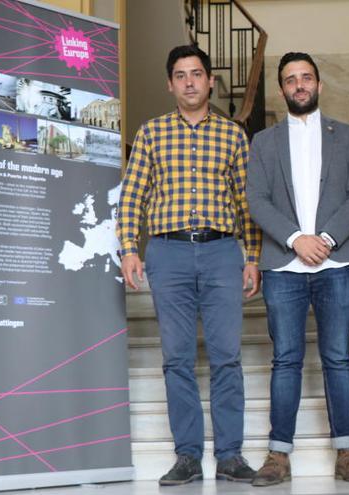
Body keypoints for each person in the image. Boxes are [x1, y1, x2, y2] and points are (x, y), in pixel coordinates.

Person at [117, 44, 259, 486]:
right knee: (176, 359)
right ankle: (187, 457)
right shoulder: (151, 133)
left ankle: (231, 455)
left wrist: (251, 257)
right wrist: (128, 248)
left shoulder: (233, 135)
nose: (190, 82)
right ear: (170, 84)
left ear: (210, 80)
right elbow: (133, 197)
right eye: (180, 75)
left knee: (226, 358)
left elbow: (247, 202)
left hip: (221, 253)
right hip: (167, 253)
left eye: (197, 74)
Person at [245, 52, 349, 487]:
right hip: (283, 266)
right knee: (286, 360)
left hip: (335, 264)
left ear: (319, 84)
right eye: (290, 79)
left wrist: (327, 240)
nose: (299, 85)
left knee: (338, 359)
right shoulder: (263, 142)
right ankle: (278, 456)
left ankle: (348, 452)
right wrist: (296, 238)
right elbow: (257, 200)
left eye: (306, 77)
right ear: (281, 89)